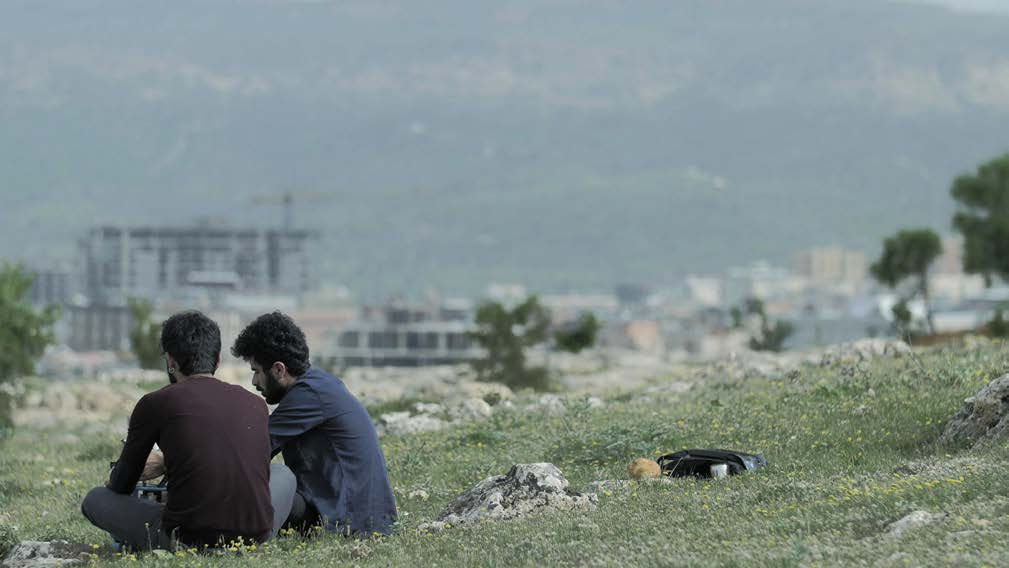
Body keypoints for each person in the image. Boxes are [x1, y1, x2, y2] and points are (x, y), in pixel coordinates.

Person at [81, 311, 295, 550]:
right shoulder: (255, 404)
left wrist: (118, 475)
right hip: (255, 536)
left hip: (187, 538)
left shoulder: (155, 403)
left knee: (94, 499)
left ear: (170, 361)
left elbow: (123, 484)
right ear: (217, 360)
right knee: (283, 474)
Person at [231, 311, 397, 536]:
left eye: (256, 371)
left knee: (271, 481)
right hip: (357, 516)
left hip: (350, 522)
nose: (254, 381)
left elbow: (251, 451)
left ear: (279, 369)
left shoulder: (309, 395)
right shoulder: (319, 385)